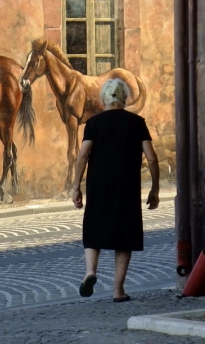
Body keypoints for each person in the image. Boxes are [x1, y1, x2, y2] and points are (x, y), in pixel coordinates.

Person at [72, 78, 160, 302]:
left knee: (94, 228)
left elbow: (83, 155)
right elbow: (151, 157)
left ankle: (90, 272)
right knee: (125, 235)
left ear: (103, 98)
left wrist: (76, 187)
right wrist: (155, 189)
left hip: (99, 184)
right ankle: (118, 291)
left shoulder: (93, 123)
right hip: (127, 185)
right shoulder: (137, 122)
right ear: (124, 98)